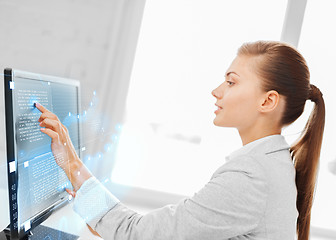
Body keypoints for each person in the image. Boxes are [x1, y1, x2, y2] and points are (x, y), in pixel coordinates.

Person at [35, 40, 325, 240]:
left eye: (231, 82)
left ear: (268, 101)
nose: (216, 91)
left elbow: (135, 234)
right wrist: (107, 222)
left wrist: (72, 164)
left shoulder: (251, 176)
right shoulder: (270, 165)